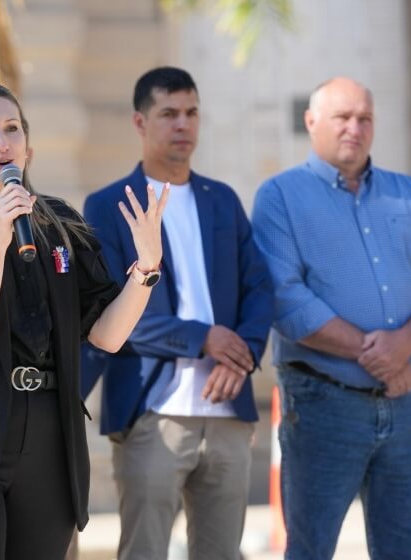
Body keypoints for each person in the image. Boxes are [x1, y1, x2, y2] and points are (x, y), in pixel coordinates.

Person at [0, 80, 168, 560]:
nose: (1, 142)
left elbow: (106, 334)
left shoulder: (60, 224)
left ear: (27, 146)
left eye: (11, 128)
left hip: (46, 432)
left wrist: (145, 270)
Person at [251, 76, 411, 559]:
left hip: (405, 404)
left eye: (364, 118)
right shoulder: (281, 197)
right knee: (310, 550)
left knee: (405, 550)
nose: (355, 128)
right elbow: (285, 298)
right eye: (342, 117)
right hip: (324, 404)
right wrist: (378, 354)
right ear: (311, 122)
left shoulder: (407, 194)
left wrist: (404, 344)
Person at [80, 66, 274, 560]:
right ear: (140, 123)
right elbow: (105, 312)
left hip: (227, 413)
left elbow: (259, 287)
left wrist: (241, 355)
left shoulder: (222, 201)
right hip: (152, 414)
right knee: (143, 552)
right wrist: (203, 337)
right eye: (168, 113)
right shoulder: (108, 206)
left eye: (191, 113)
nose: (183, 124)